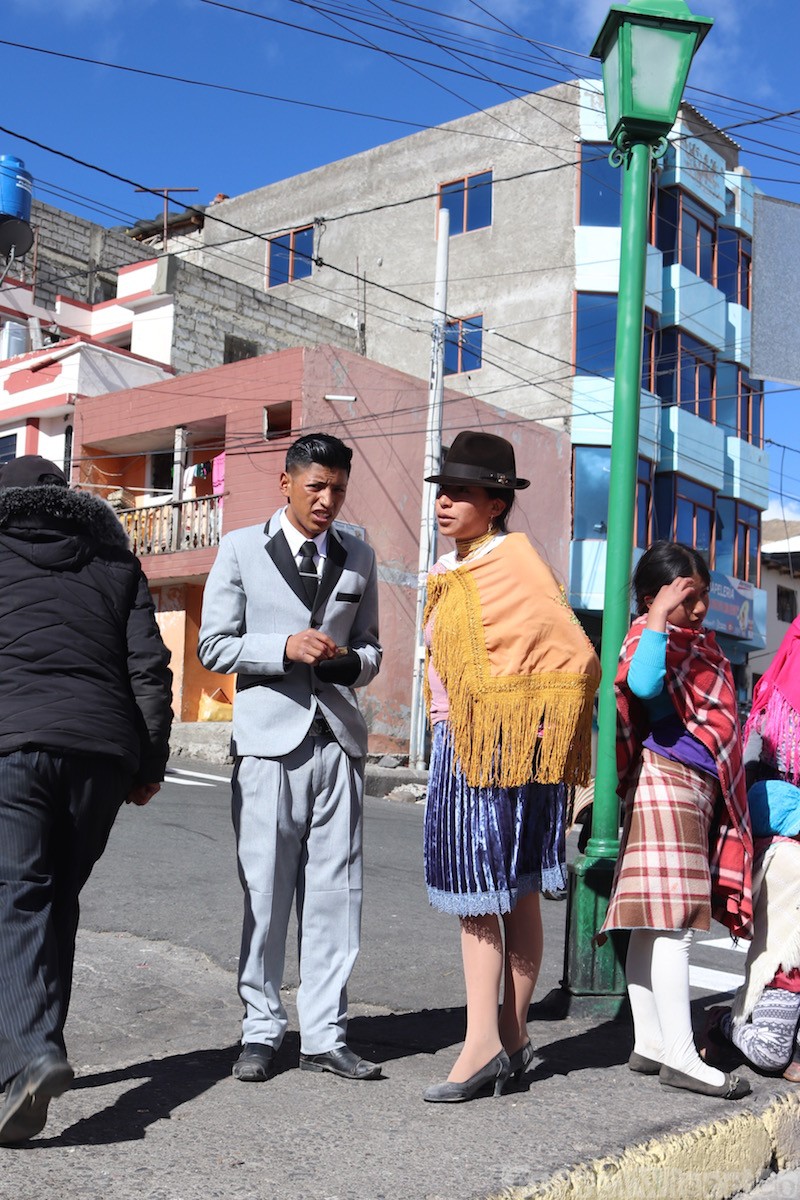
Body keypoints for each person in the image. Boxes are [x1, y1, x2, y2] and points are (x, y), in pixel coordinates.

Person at [420, 431, 600, 1103]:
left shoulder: (514, 562)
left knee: (485, 895)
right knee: (509, 892)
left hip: (497, 747)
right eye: (442, 490)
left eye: (460, 492)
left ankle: (485, 1044)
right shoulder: (453, 567)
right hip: (470, 738)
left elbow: (576, 656)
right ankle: (512, 1041)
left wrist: (527, 722)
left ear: (496, 503)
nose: (444, 502)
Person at [198, 433, 382, 1084]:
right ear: (287, 483)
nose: (328, 500)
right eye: (316, 487)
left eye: (338, 489)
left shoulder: (360, 555)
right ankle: (261, 1029)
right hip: (268, 744)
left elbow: (372, 650)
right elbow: (213, 646)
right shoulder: (240, 549)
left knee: (337, 894)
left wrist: (347, 662)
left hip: (338, 741)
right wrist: (282, 648)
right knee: (266, 892)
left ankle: (326, 1034)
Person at [0, 455, 173, 1146]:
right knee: (57, 900)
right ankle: (34, 1056)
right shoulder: (117, 563)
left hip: (13, 745)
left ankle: (31, 1056)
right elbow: (149, 669)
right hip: (101, 754)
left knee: (18, 897)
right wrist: (148, 762)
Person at [600, 541, 753, 1101]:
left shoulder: (696, 644)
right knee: (675, 923)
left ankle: (651, 1042)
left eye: (702, 595)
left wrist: (667, 614)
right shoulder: (650, 635)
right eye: (688, 597)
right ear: (653, 597)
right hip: (671, 781)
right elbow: (641, 686)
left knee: (651, 922)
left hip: (683, 783)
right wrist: (661, 616)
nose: (700, 607)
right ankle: (682, 1057)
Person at [704, 616, 800, 1081]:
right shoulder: (776, 710)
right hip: (784, 864)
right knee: (770, 1051)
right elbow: (753, 792)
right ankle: (725, 1022)